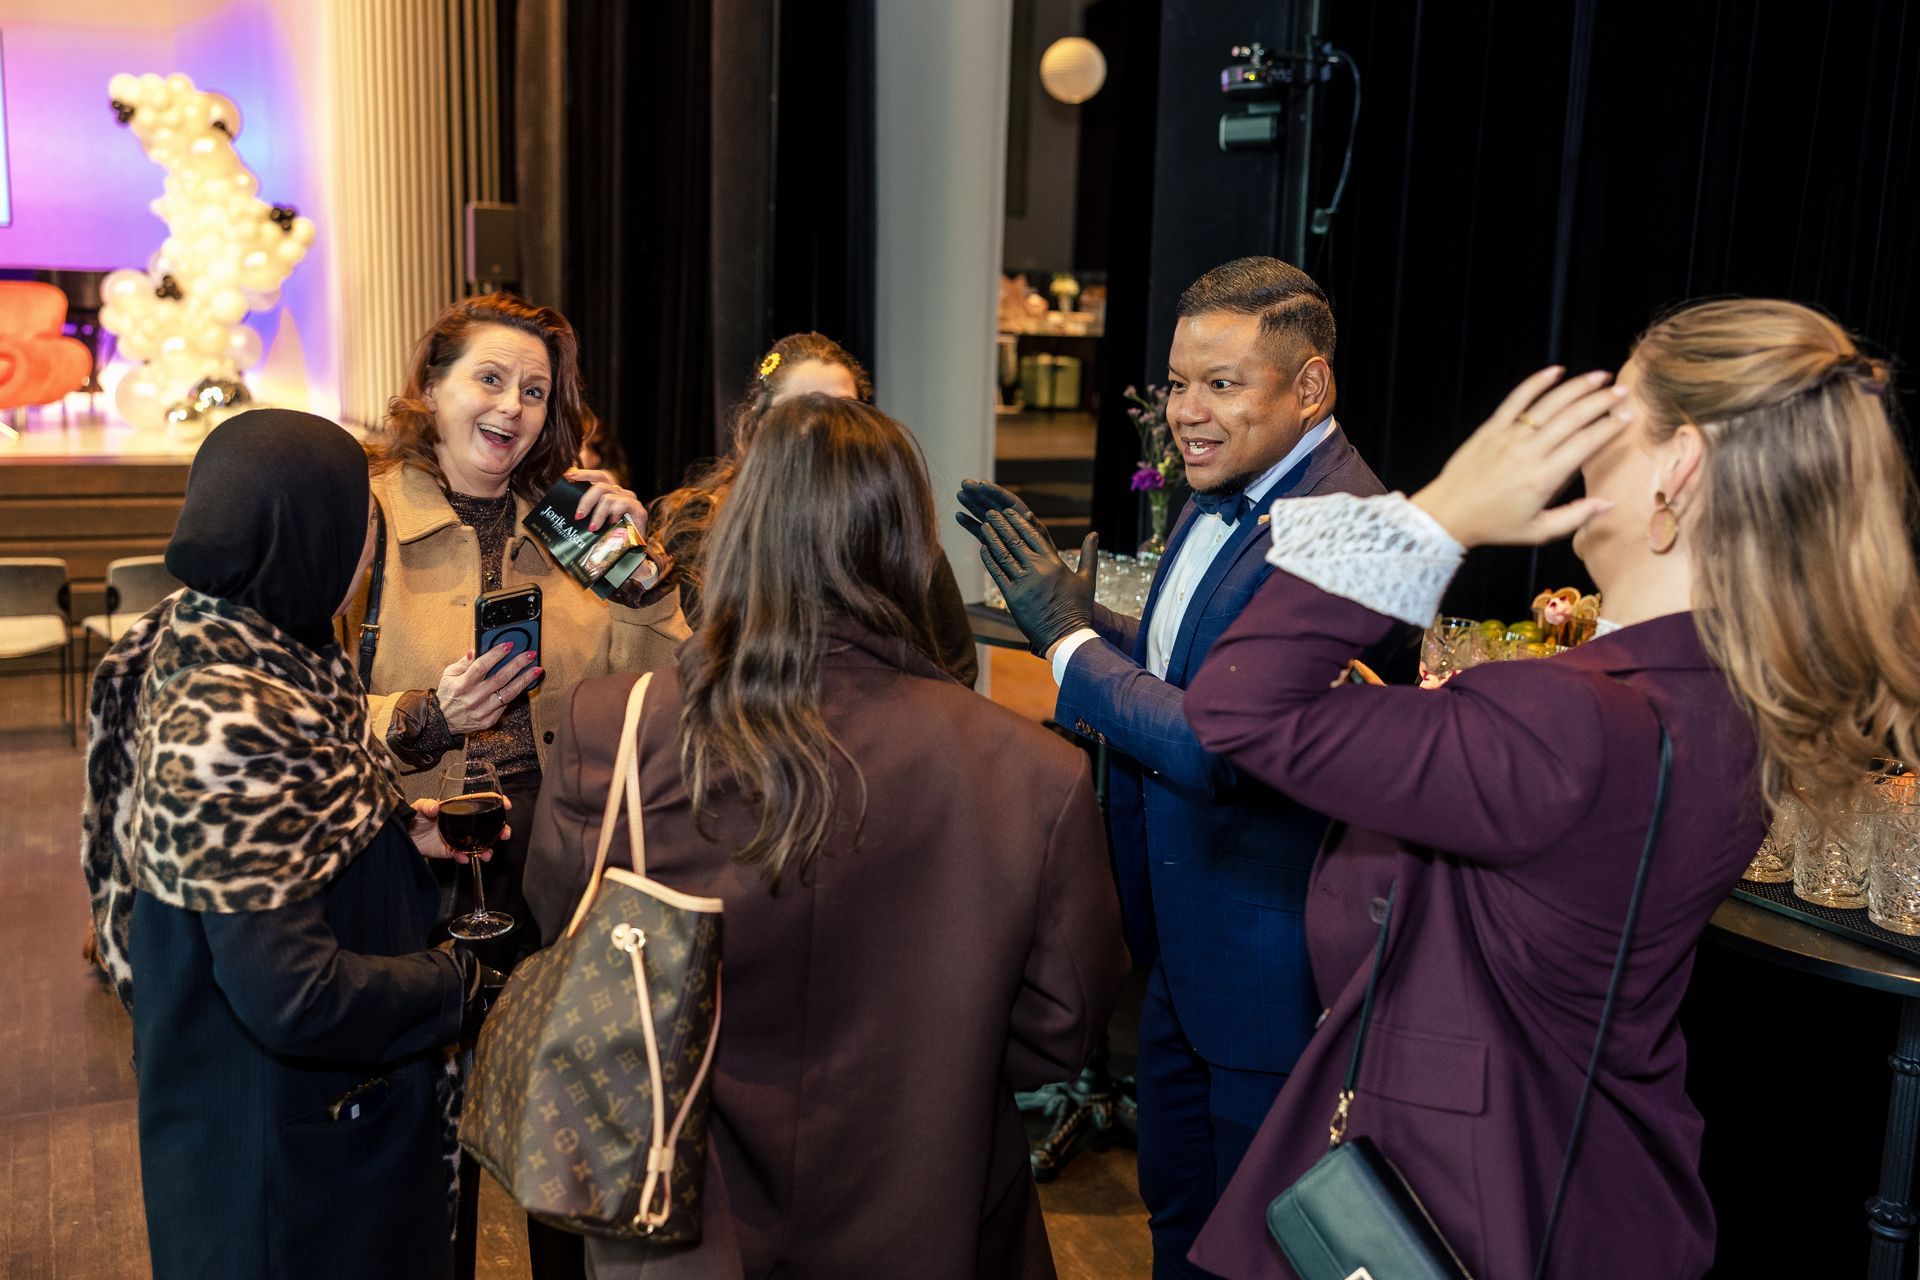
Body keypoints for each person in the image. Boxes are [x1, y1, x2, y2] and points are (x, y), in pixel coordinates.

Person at [1180, 299, 1920, 1278]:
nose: (1579, 451)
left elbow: (1235, 705)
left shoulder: (1567, 717)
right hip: (1608, 1184)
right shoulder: (1734, 700)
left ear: (1679, 466)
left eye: (1612, 414)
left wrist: (1433, 516)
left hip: (1464, 1201)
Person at [523, 394, 1129, 1278]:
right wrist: (942, 1054)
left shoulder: (613, 725)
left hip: (684, 1221)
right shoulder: (1035, 773)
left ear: (741, 531)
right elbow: (1059, 1030)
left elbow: (566, 938)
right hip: (937, 1210)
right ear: (909, 549)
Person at [959, 256, 1385, 1278]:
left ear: (1311, 386)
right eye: (1179, 383)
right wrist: (1078, 614)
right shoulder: (1222, 483)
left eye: (1222, 385)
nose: (1186, 413)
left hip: (1272, 969)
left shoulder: (1362, 528)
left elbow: (1218, 741)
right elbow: (1182, 668)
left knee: (1254, 1247)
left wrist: (1067, 643)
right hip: (1179, 947)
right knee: (1178, 1214)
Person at [79, 410, 494, 1280]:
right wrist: (459, 985)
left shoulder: (244, 640)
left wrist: (394, 839)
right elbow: (294, 995)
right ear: (308, 536)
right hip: (286, 1161)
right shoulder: (229, 716)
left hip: (313, 1125)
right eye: (365, 532)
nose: (371, 558)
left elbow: (282, 837)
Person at [345, 291, 687, 1279]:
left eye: (535, 391)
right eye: (489, 379)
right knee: (419, 1161)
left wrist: (642, 567)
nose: (513, 406)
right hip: (410, 876)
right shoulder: (362, 517)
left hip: (553, 881)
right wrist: (424, 715)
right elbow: (296, 706)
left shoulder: (568, 529)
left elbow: (669, 686)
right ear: (431, 387)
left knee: (561, 1151)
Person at [649, 330, 979, 685]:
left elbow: (955, 670)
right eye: (799, 413)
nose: (825, 432)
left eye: (845, 411)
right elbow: (678, 662)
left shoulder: (896, 534)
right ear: (759, 424)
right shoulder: (696, 528)